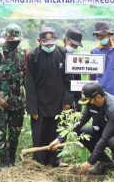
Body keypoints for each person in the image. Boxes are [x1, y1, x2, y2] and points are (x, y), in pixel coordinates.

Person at [48, 82, 114, 181]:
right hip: (111, 133)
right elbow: (78, 123)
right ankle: (107, 164)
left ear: (98, 97)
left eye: (89, 101)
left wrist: (89, 162)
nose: (89, 104)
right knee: (82, 131)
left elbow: (105, 138)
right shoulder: (92, 104)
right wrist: (59, 139)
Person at [25, 27, 72, 167]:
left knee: (56, 131)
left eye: (52, 43)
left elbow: (68, 79)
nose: (50, 46)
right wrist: (32, 107)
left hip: (59, 102)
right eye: (46, 43)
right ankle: (39, 162)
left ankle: (55, 160)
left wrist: (67, 100)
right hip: (40, 104)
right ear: (39, 41)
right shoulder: (33, 56)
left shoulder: (63, 53)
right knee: (40, 133)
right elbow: (29, 83)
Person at [0, 24, 27, 169]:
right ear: (6, 38)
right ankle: (3, 162)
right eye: (12, 41)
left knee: (15, 133)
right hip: (2, 101)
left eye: (17, 41)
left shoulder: (23, 53)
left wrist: (27, 98)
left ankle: (12, 159)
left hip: (18, 101)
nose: (15, 43)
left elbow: (25, 77)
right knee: (1, 132)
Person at [63, 28, 83, 111]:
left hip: (75, 99)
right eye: (73, 44)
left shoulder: (77, 58)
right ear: (66, 40)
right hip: (61, 100)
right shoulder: (58, 56)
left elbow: (78, 80)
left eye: (76, 45)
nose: (74, 47)